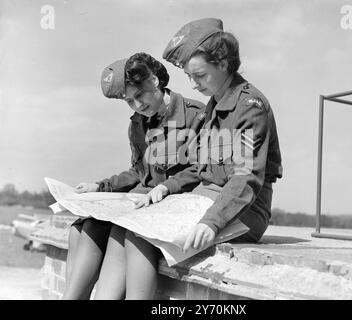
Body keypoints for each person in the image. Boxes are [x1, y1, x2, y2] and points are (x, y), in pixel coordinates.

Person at [62, 52, 205, 299]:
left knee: (122, 232)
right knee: (83, 227)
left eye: (139, 95)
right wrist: (100, 186)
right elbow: (139, 171)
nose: (137, 105)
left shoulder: (196, 115)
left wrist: (167, 186)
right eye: (129, 101)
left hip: (175, 203)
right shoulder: (138, 123)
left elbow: (202, 169)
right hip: (144, 202)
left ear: (154, 80)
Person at [157, 17, 283, 253]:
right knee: (127, 233)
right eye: (189, 77)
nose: (193, 85)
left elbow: (245, 176)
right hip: (207, 199)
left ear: (223, 64)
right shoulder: (215, 104)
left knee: (151, 240)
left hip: (244, 211)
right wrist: (167, 186)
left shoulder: (249, 107)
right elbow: (202, 165)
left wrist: (212, 221)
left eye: (200, 75)